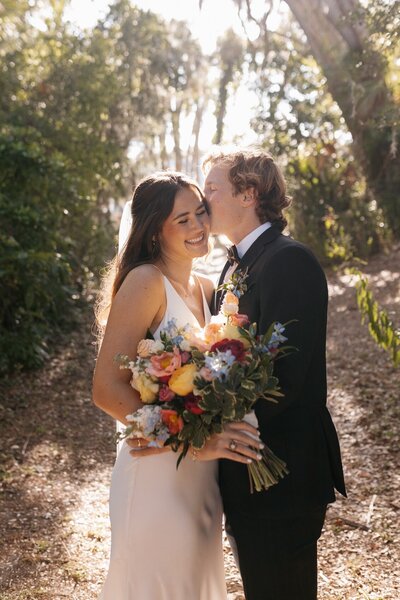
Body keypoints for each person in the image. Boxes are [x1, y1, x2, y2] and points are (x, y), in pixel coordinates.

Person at [92, 171, 263, 600]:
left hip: (201, 480)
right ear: (154, 232)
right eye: (181, 220)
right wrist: (191, 440)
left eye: (200, 213)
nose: (198, 226)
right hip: (155, 475)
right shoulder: (146, 282)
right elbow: (106, 389)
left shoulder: (207, 288)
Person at [199, 147, 347, 600]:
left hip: (281, 470)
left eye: (212, 189)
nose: (204, 200)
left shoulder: (289, 261)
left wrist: (222, 422)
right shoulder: (234, 263)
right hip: (245, 469)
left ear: (248, 193)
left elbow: (287, 373)